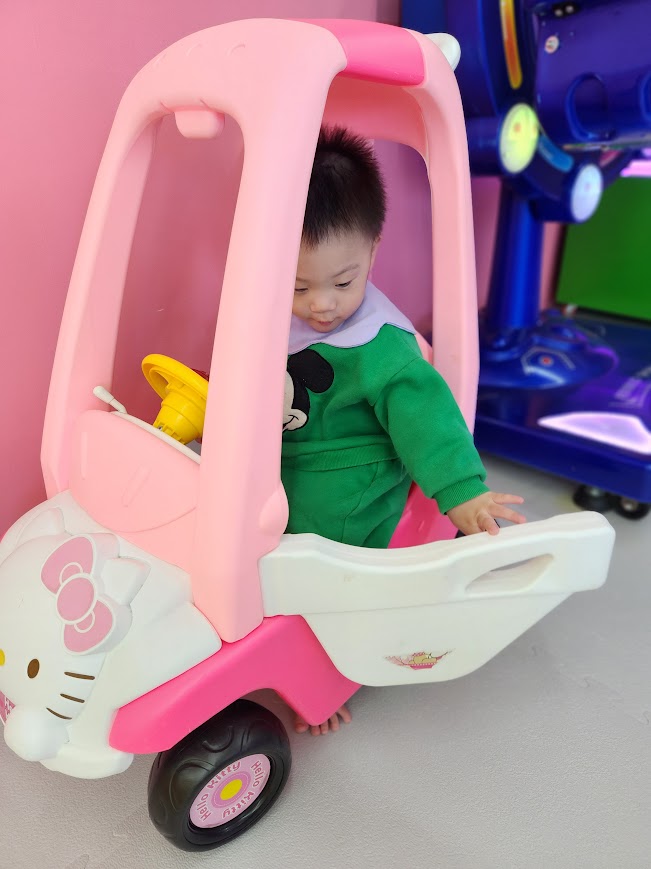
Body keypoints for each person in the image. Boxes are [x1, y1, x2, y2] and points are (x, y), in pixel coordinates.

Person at [283, 127, 526, 735]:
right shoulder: (263, 314)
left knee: (329, 584)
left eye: (343, 282)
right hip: (280, 464)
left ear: (373, 249)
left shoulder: (383, 347)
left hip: (352, 485)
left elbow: (428, 418)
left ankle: (328, 677)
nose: (321, 305)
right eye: (298, 286)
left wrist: (463, 491)